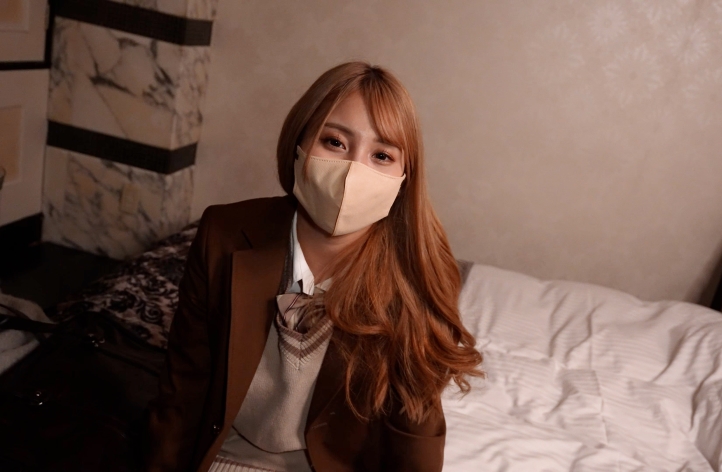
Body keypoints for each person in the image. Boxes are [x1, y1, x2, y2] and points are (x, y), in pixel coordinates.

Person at [145, 61, 483, 472]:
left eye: (381, 155)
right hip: (223, 453)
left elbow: (415, 425)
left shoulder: (421, 273)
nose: (353, 171)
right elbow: (183, 386)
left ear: (403, 178)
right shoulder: (223, 233)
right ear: (299, 144)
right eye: (335, 142)